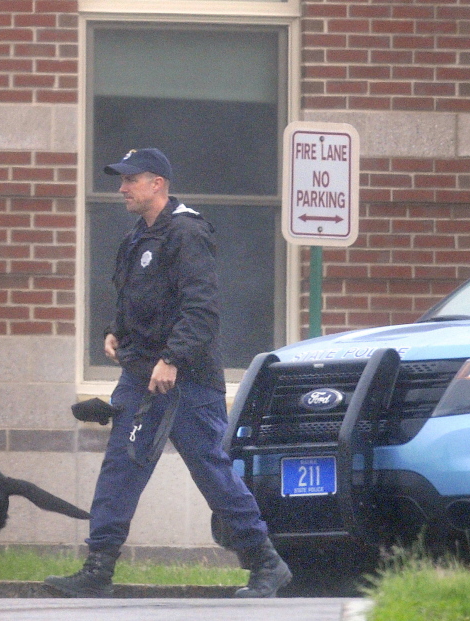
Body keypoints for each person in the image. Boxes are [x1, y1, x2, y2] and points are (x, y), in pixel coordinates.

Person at [44, 148, 291, 598]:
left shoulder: (187, 232)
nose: (121, 189)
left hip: (187, 379)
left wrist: (172, 359)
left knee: (211, 471)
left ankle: (265, 563)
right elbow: (132, 296)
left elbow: (202, 309)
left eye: (129, 181)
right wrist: (115, 331)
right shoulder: (140, 235)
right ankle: (98, 568)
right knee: (121, 466)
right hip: (142, 374)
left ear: (156, 183)